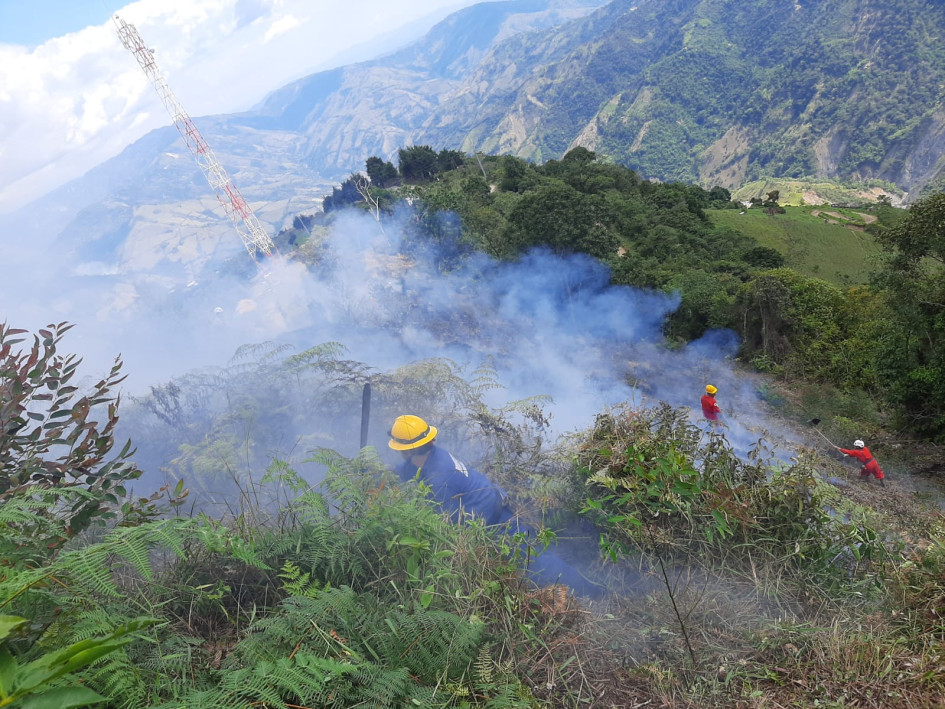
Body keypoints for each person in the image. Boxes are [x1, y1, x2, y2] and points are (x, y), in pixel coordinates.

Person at [388, 414, 604, 597]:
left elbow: (441, 526)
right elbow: (408, 470)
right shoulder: (431, 456)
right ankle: (584, 584)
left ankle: (595, 593)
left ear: (407, 450)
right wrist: (386, 474)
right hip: (494, 509)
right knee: (536, 556)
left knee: (537, 565)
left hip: (494, 521)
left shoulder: (440, 479)